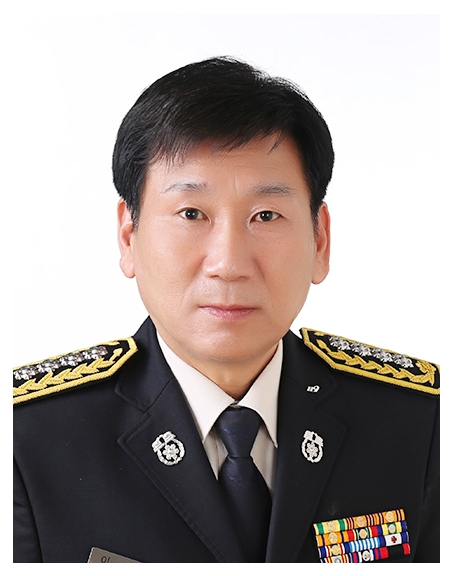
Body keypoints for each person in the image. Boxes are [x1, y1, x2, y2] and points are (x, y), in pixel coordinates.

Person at [13, 56, 439, 563]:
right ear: (129, 236)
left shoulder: (421, 425)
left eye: (266, 215)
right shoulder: (25, 440)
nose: (228, 264)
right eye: (191, 213)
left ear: (320, 240)